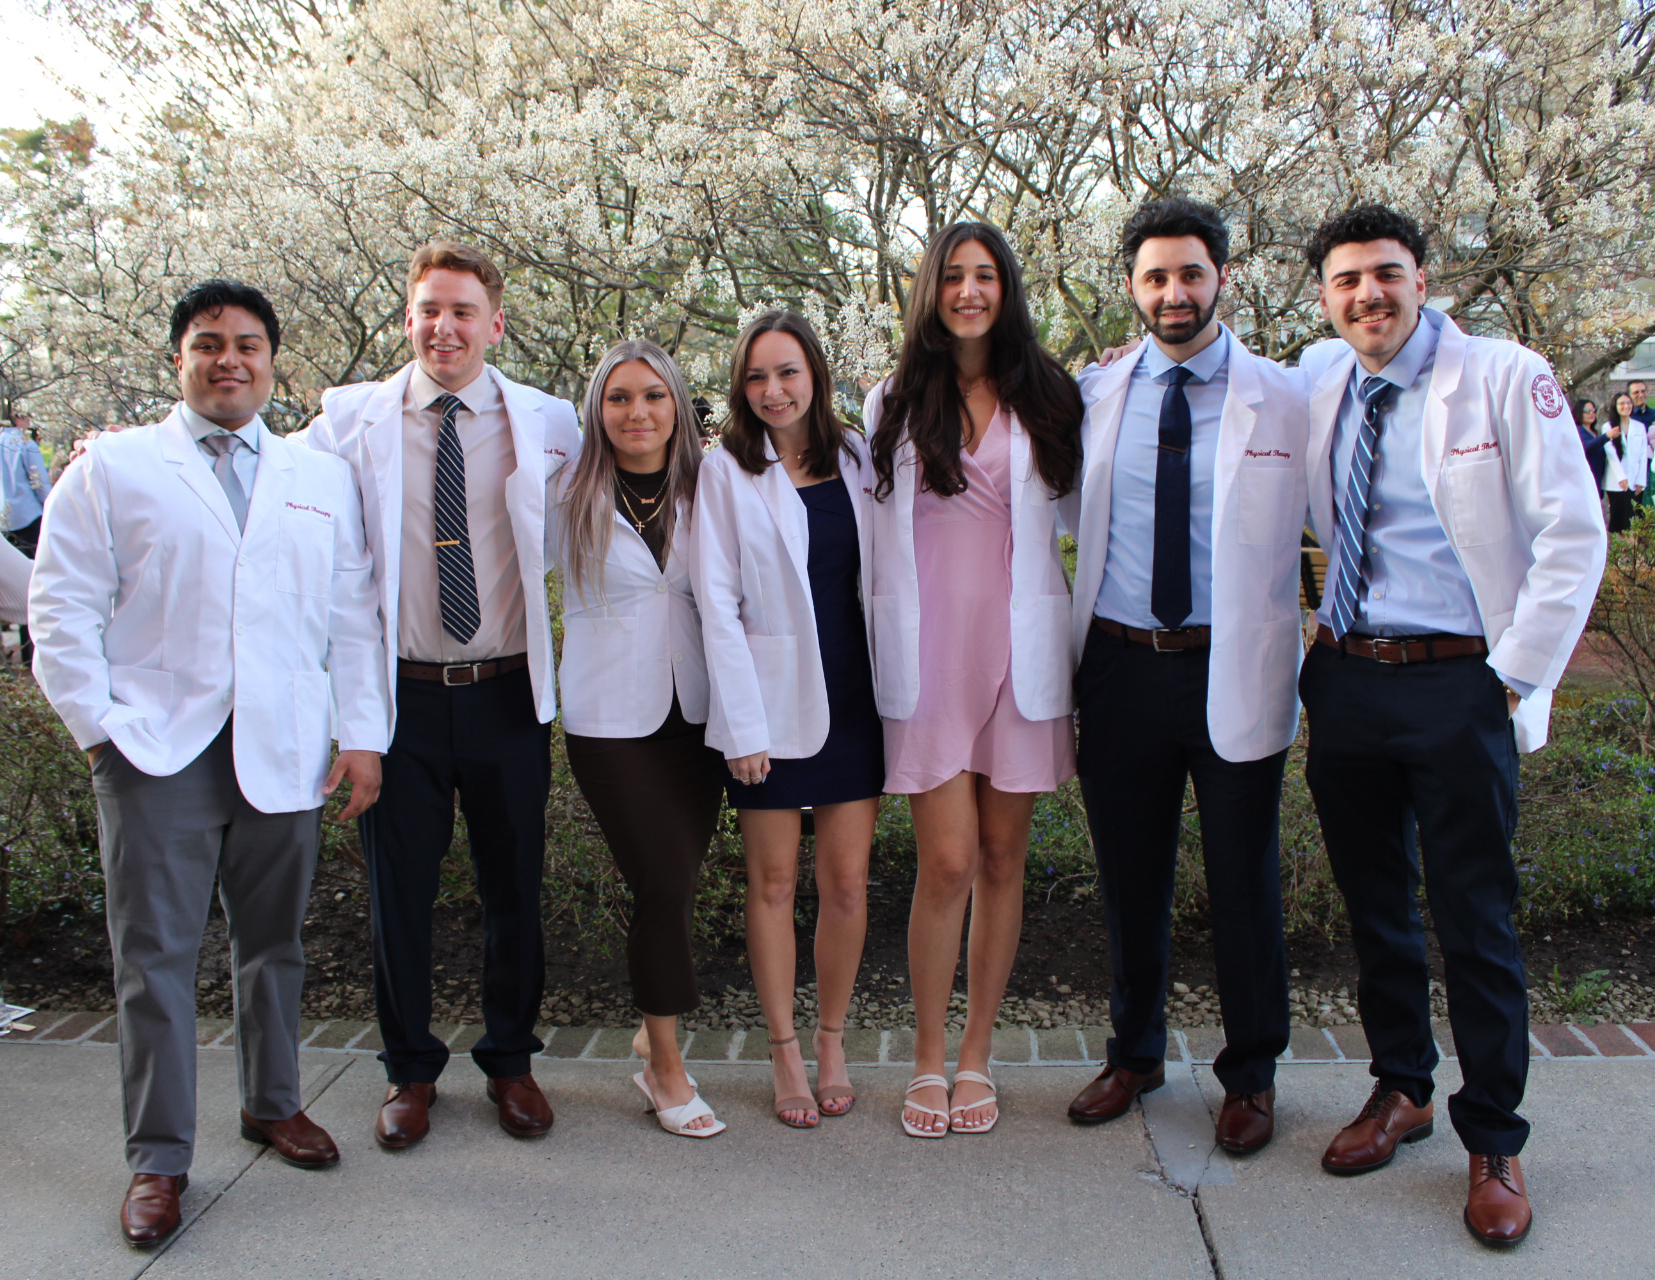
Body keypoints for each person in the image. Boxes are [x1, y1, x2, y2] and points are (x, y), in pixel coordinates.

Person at [28, 280, 389, 1247]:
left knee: (275, 947)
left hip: (282, 750)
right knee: (155, 962)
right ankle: (158, 1160)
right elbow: (62, 608)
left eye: (248, 345)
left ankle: (273, 1104)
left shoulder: (318, 474)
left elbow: (353, 615)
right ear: (177, 360)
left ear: (273, 361)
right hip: (157, 750)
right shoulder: (112, 469)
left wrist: (363, 735)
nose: (229, 359)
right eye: (207, 344)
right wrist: (99, 727)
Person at [1298, 206, 1604, 1247]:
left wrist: (1511, 678)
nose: (1366, 295)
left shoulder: (1500, 376)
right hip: (1343, 678)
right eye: (1345, 281)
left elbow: (1573, 533)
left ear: (1421, 279)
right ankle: (1400, 1089)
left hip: (1457, 681)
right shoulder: (1318, 378)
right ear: (1324, 296)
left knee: (1473, 916)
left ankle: (1493, 1135)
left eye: (1384, 274)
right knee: (1374, 902)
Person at [305, 242, 581, 1149]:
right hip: (401, 701)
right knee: (399, 893)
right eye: (428, 308)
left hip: (506, 693)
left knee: (514, 889)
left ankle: (511, 1060)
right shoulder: (348, 421)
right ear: (409, 318)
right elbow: (292, 523)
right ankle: (408, 1071)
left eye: (462, 311)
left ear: (494, 324)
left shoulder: (549, 421)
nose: (444, 326)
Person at [1059, 198, 1306, 1154]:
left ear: (1222, 280)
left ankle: (1250, 1073)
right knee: (1130, 875)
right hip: (1121, 666)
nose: (1173, 292)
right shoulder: (1092, 394)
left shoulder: (1285, 397)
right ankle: (1135, 1051)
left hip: (1229, 664)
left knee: (1243, 876)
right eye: (1155, 276)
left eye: (1190, 273)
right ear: (1131, 287)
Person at [866, 221, 1082, 1138]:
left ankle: (976, 1057)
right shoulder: (893, 400)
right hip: (931, 656)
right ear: (930, 289)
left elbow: (1087, 507)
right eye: (951, 276)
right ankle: (924, 1058)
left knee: (1001, 860)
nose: (967, 291)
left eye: (984, 276)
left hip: (1023, 648)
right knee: (945, 862)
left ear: (1006, 288)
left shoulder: (1048, 394)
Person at [691, 311, 882, 1128]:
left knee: (843, 883)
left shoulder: (857, 454)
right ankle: (783, 1053)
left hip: (857, 696)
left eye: (788, 373)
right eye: (757, 377)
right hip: (766, 705)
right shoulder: (723, 470)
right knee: (772, 884)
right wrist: (741, 726)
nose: (772, 391)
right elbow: (716, 602)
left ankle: (832, 1040)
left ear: (815, 375)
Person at [553, 340, 727, 1138]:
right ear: (597, 410)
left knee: (677, 883)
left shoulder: (714, 485)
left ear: (678, 404)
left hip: (696, 717)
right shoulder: (564, 493)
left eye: (653, 395)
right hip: (609, 720)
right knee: (661, 881)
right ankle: (664, 1067)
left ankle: (648, 1028)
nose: (636, 412)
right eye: (618, 397)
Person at [2, 409, 52, 664]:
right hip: (30, 519)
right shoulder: (24, 443)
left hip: (5, 521)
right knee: (35, 586)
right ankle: (35, 655)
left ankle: (20, 659)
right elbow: (39, 483)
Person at [1603, 393, 1641, 531]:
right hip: (1616, 482)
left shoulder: (1639, 427)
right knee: (1619, 519)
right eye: (1622, 403)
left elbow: (1642, 456)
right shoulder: (1608, 427)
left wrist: (1641, 481)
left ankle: (1630, 549)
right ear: (1615, 406)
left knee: (1632, 518)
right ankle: (1622, 548)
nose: (1626, 406)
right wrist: (1621, 477)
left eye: (1629, 402)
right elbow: (1611, 454)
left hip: (1634, 480)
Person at [1573, 399, 1611, 496]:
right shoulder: (1578, 430)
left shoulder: (1594, 432)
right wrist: (1607, 436)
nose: (1591, 413)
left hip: (1597, 479)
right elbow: (1587, 446)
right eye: (1587, 411)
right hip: (1585, 480)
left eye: (1593, 410)